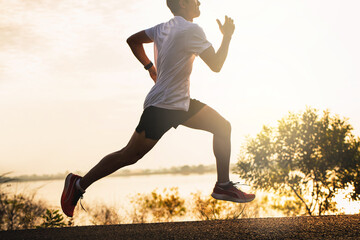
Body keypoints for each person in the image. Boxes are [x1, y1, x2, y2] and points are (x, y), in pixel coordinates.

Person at [61, 0, 255, 218]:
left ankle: (223, 184)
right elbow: (216, 65)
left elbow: (133, 41)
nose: (199, 2)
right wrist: (227, 36)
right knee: (128, 155)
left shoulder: (163, 28)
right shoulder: (192, 29)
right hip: (164, 106)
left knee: (222, 127)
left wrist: (150, 68)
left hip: (178, 103)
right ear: (182, 3)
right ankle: (78, 184)